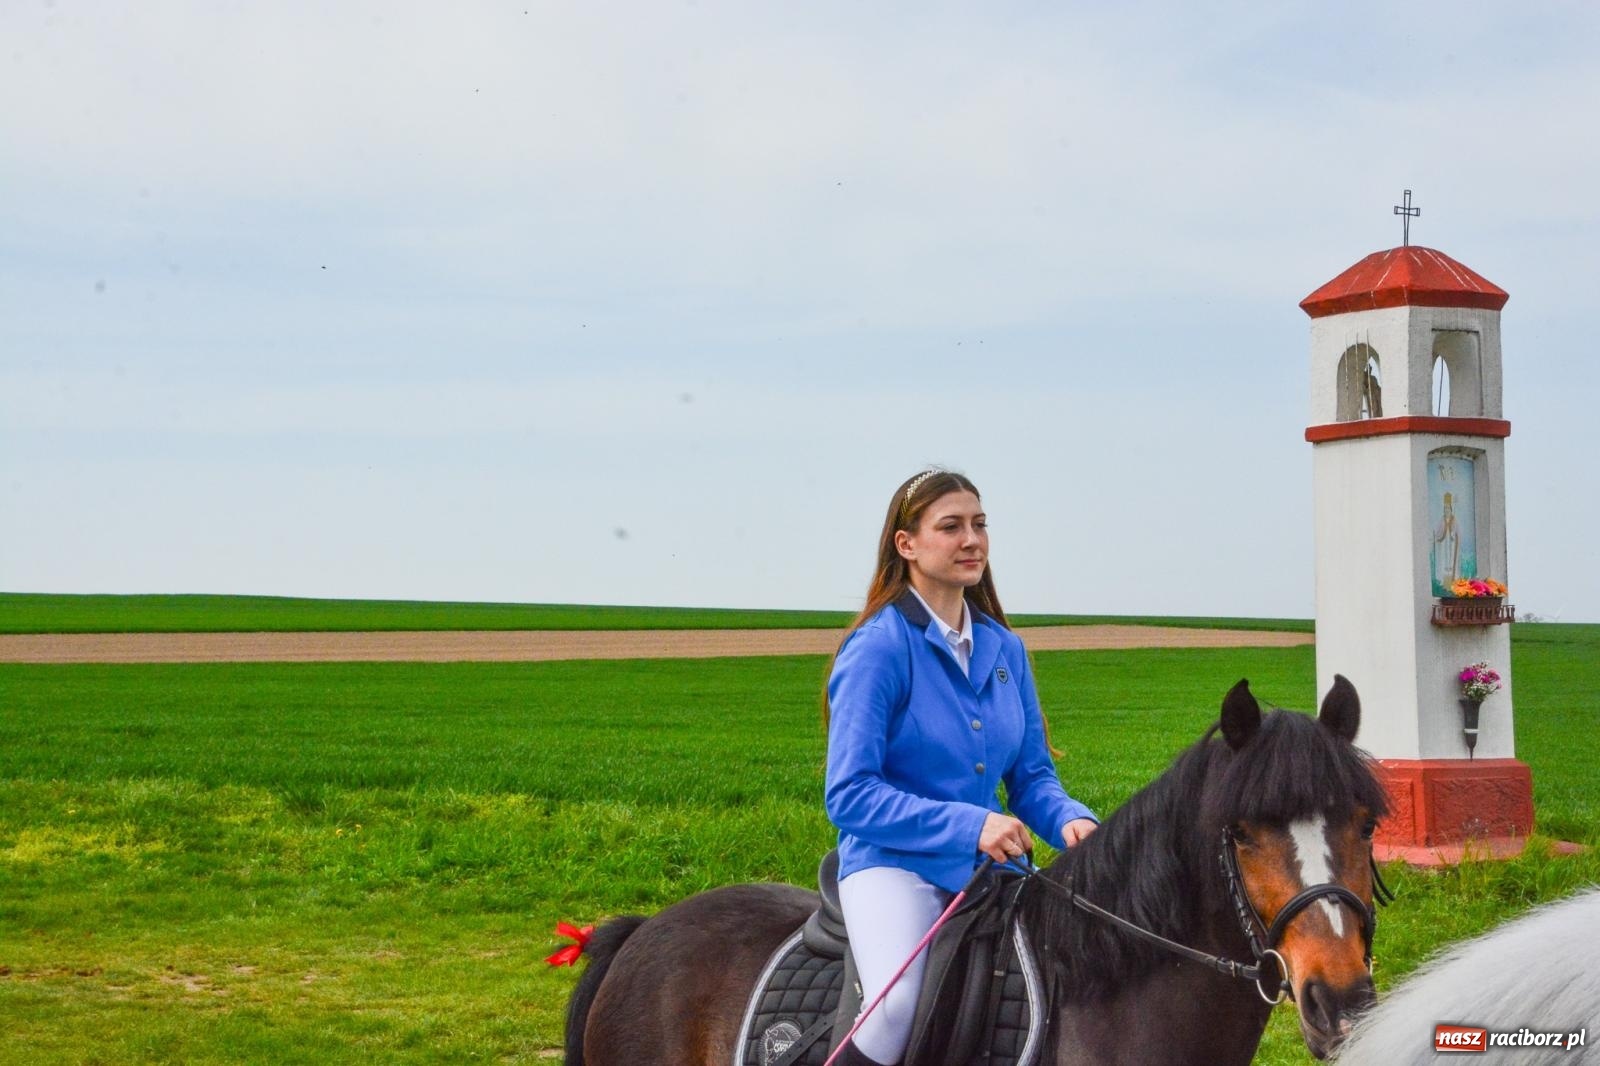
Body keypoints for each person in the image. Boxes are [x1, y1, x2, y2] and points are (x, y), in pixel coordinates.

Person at [823, 469, 1098, 1066]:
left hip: (991, 874)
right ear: (907, 544)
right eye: (950, 527)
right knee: (894, 1010)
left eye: (979, 524)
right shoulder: (878, 648)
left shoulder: (1005, 649)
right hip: (894, 869)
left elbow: (1031, 780)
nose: (971, 539)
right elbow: (849, 795)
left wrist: (1075, 823)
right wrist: (971, 825)